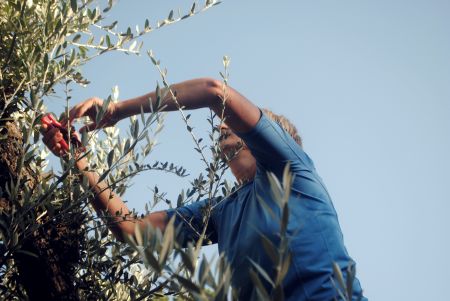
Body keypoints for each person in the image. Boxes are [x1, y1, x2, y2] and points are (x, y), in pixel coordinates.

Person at [41, 78, 367, 300]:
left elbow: (214, 92)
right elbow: (132, 231)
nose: (222, 125)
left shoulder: (290, 170)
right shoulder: (222, 212)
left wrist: (117, 110)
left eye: (237, 124)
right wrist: (77, 158)